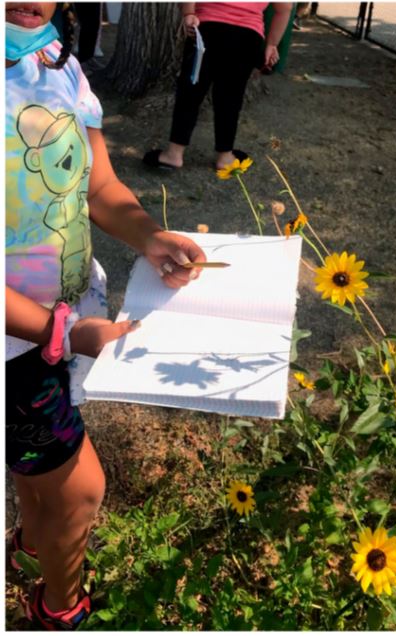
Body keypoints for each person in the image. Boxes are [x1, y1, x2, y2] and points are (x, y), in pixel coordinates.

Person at [5, 2, 206, 630]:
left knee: (43, 475)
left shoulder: (57, 62)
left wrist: (148, 234)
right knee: (82, 489)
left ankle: (32, 546)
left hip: (58, 327)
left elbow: (98, 186)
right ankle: (57, 608)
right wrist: (59, 333)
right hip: (20, 343)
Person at [142, 2, 292, 172]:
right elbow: (285, 8)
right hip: (247, 37)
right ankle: (225, 156)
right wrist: (272, 44)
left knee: (190, 93)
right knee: (231, 99)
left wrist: (188, 13)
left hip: (207, 29)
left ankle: (174, 153)